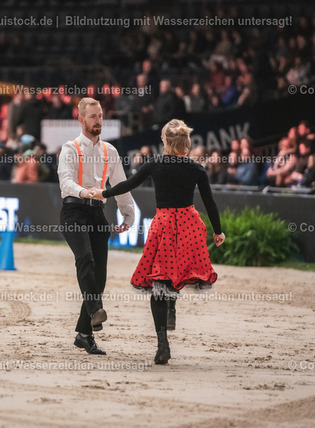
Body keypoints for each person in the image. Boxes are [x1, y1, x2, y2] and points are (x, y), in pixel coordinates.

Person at [90, 119, 225, 365]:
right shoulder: (196, 169)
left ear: (165, 141)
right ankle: (172, 305)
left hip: (164, 226)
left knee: (160, 280)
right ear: (186, 143)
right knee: (180, 271)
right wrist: (218, 231)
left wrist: (104, 193)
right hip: (189, 226)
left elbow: (128, 185)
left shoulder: (155, 164)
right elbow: (210, 202)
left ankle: (163, 344)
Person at [58, 97, 135, 355]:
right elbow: (65, 182)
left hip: (97, 214)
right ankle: (94, 310)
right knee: (86, 259)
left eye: (100, 115)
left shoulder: (110, 151)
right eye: (93, 116)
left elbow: (121, 184)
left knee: (99, 277)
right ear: (81, 119)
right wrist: (83, 192)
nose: (98, 120)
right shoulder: (69, 149)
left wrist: (128, 214)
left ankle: (84, 334)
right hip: (73, 212)